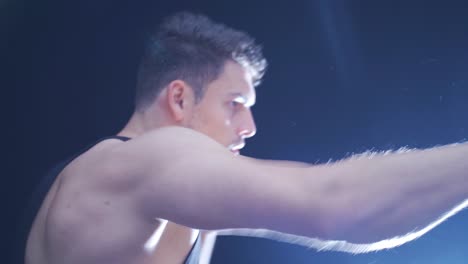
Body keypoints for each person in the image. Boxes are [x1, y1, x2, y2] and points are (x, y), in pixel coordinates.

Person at [19, 11, 468, 264]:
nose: (249, 127)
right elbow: (335, 204)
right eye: (234, 103)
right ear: (179, 98)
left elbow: (322, 189)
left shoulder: (158, 194)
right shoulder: (135, 163)